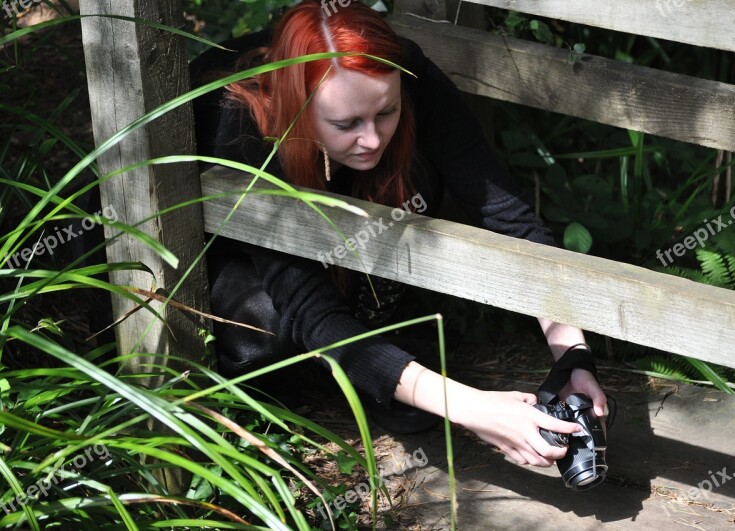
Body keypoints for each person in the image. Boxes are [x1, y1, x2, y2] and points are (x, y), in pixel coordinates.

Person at [192, 0, 607, 468]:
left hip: (335, 222)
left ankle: (377, 349)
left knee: (414, 179)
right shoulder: (244, 121)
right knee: (270, 329)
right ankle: (368, 363)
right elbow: (306, 304)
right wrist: (470, 408)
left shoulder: (409, 72)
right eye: (346, 123)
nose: (371, 139)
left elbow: (511, 219)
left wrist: (572, 354)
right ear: (299, 105)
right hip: (231, 254)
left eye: (385, 113)